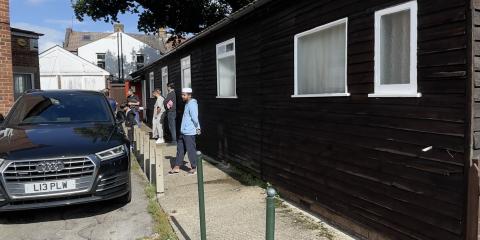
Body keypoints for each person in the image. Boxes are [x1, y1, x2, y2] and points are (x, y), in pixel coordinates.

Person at [169, 88, 201, 175]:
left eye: (184, 95)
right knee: (180, 150)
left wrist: (197, 128)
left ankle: (194, 167)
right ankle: (176, 167)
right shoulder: (187, 103)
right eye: (182, 94)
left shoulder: (192, 104)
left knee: (191, 150)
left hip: (189, 132)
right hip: (183, 132)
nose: (182, 96)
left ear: (189, 95)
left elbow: (195, 118)